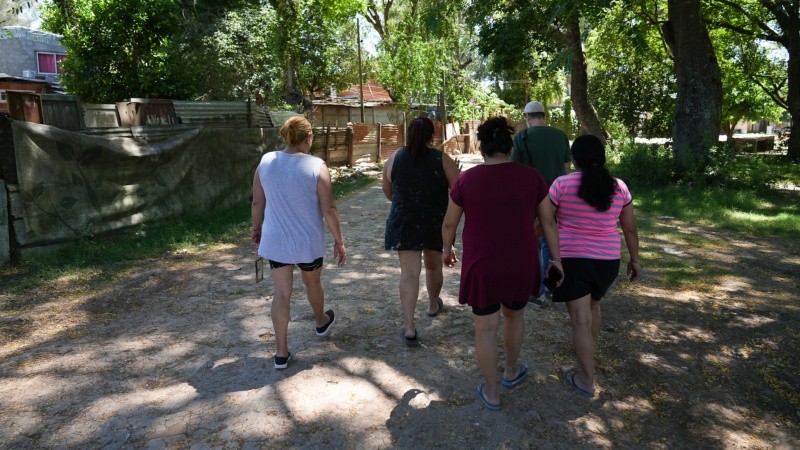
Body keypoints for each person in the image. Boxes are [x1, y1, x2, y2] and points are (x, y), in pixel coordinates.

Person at [441, 116, 561, 410]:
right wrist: (556, 259)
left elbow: (449, 224)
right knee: (514, 317)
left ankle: (492, 392)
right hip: (520, 262)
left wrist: (447, 248)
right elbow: (548, 221)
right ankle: (510, 370)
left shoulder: (466, 180)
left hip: (482, 265)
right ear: (510, 148)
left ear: (482, 148)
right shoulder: (532, 177)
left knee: (484, 328)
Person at [541, 134, 641, 399]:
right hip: (608, 262)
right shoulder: (620, 187)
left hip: (574, 260)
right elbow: (629, 229)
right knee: (593, 308)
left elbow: (544, 221)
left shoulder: (562, 184)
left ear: (575, 159)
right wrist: (635, 259)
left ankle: (586, 379)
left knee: (580, 321)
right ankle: (586, 358)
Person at [251, 116, 347, 370]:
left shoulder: (266, 161)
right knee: (312, 282)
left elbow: (257, 202)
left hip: (277, 239)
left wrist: (256, 227)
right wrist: (339, 241)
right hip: (307, 240)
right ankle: (320, 321)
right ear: (308, 138)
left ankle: (281, 353)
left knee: (282, 293)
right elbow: (329, 208)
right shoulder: (317, 165)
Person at [383, 116, 461, 347]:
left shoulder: (394, 158)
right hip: (434, 221)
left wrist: (406, 202)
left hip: (404, 221)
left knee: (409, 274)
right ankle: (432, 305)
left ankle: (409, 327)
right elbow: (458, 193)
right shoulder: (443, 159)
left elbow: (388, 192)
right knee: (433, 265)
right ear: (432, 136)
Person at [511, 101, 572, 305]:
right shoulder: (561, 136)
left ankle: (533, 289)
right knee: (550, 240)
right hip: (556, 197)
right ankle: (550, 287)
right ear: (544, 116)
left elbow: (515, 172)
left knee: (530, 241)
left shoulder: (521, 138)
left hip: (530, 198)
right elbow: (566, 171)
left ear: (527, 117)